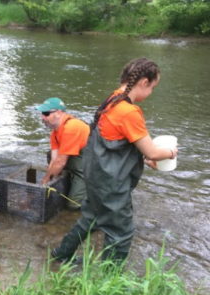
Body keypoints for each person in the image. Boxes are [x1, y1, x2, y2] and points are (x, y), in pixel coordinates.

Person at [51, 58, 178, 264]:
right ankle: (110, 280)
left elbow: (119, 142)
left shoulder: (112, 100)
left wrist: (146, 157)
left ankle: (61, 255)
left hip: (95, 177)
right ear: (144, 82)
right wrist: (171, 153)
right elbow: (153, 151)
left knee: (90, 219)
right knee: (121, 233)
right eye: (153, 87)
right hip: (112, 184)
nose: (151, 92)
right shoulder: (129, 112)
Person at [37, 97, 90, 209]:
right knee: (49, 154)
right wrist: (46, 180)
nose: (42, 117)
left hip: (90, 164)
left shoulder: (71, 127)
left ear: (59, 113)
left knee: (73, 205)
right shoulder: (54, 133)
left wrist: (46, 180)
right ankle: (69, 179)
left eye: (46, 113)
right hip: (77, 160)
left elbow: (60, 162)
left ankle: (89, 185)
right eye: (42, 113)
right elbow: (54, 159)